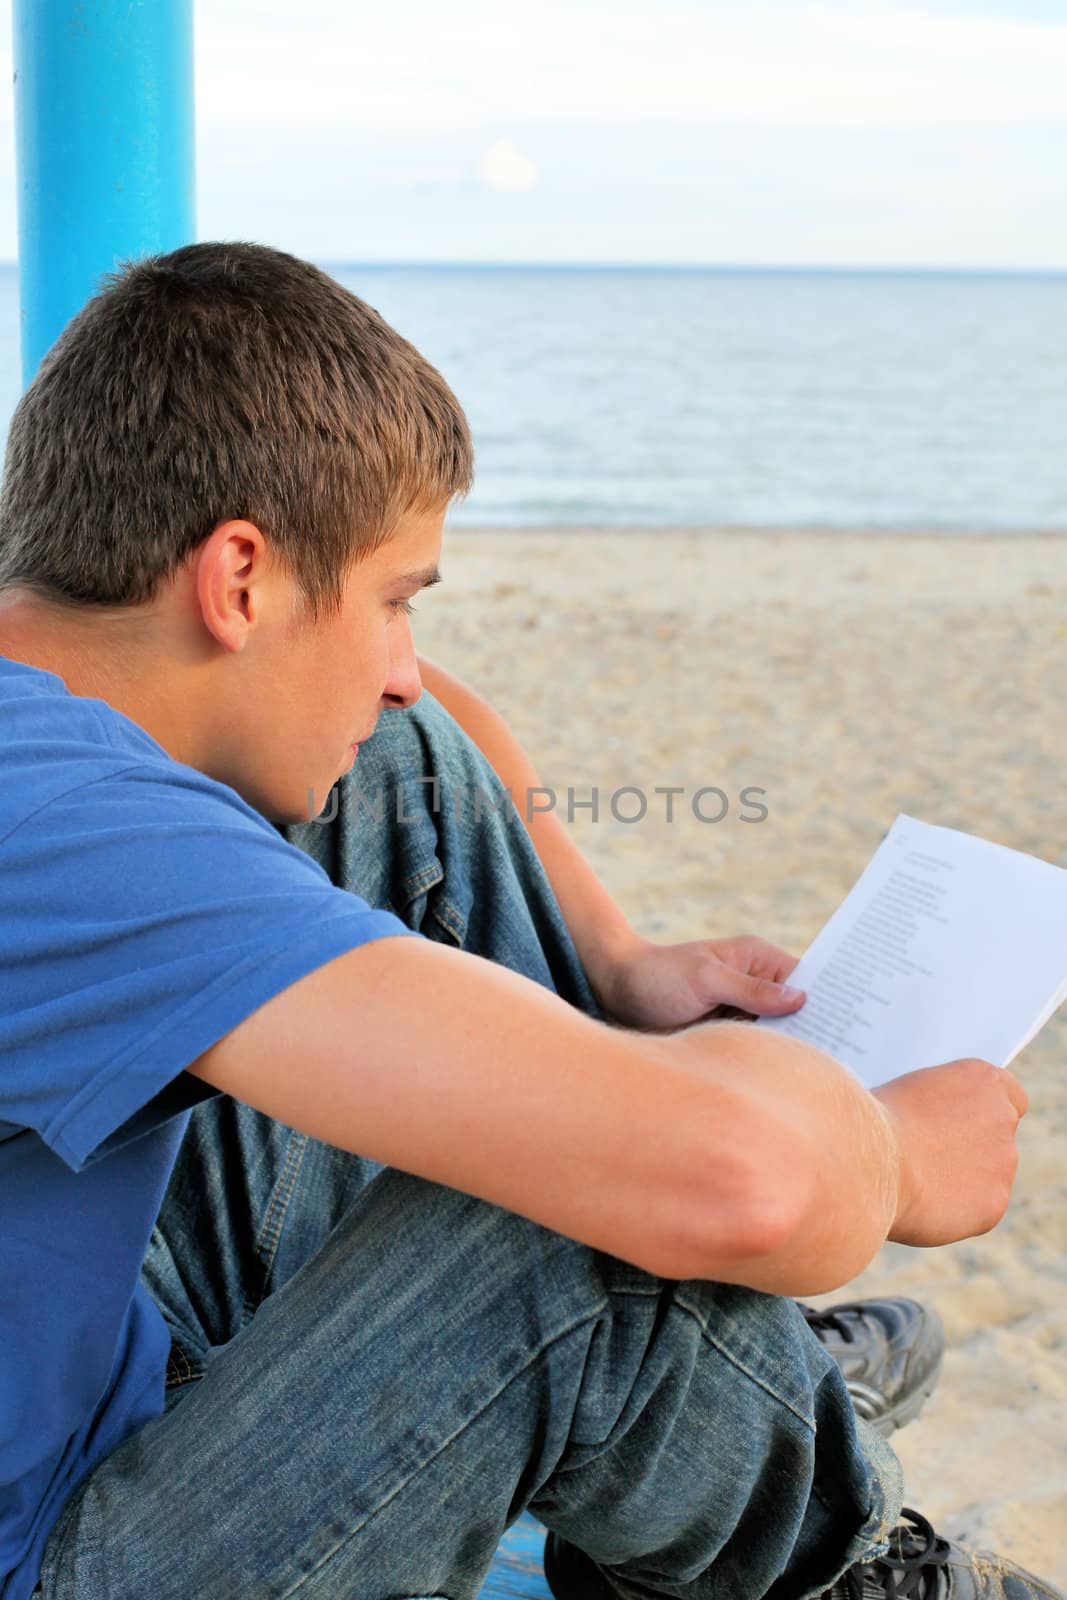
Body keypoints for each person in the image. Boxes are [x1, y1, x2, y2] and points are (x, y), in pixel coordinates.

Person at [0, 242, 1056, 1600]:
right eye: (391, 599)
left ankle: (727, 1381)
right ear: (240, 578)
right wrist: (899, 1161)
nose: (400, 662)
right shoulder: (69, 830)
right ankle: (799, 1521)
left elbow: (430, 718)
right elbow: (741, 1176)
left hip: (96, 1376)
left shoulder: (55, 700)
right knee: (585, 1224)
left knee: (389, 768)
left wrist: (620, 964)